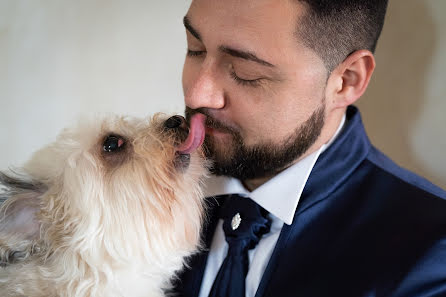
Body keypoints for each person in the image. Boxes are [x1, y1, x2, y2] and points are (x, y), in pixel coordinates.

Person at [174, 0, 446, 296]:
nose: (197, 94)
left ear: (346, 80)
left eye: (245, 72)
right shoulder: (149, 189)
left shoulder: (431, 253)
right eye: (195, 48)